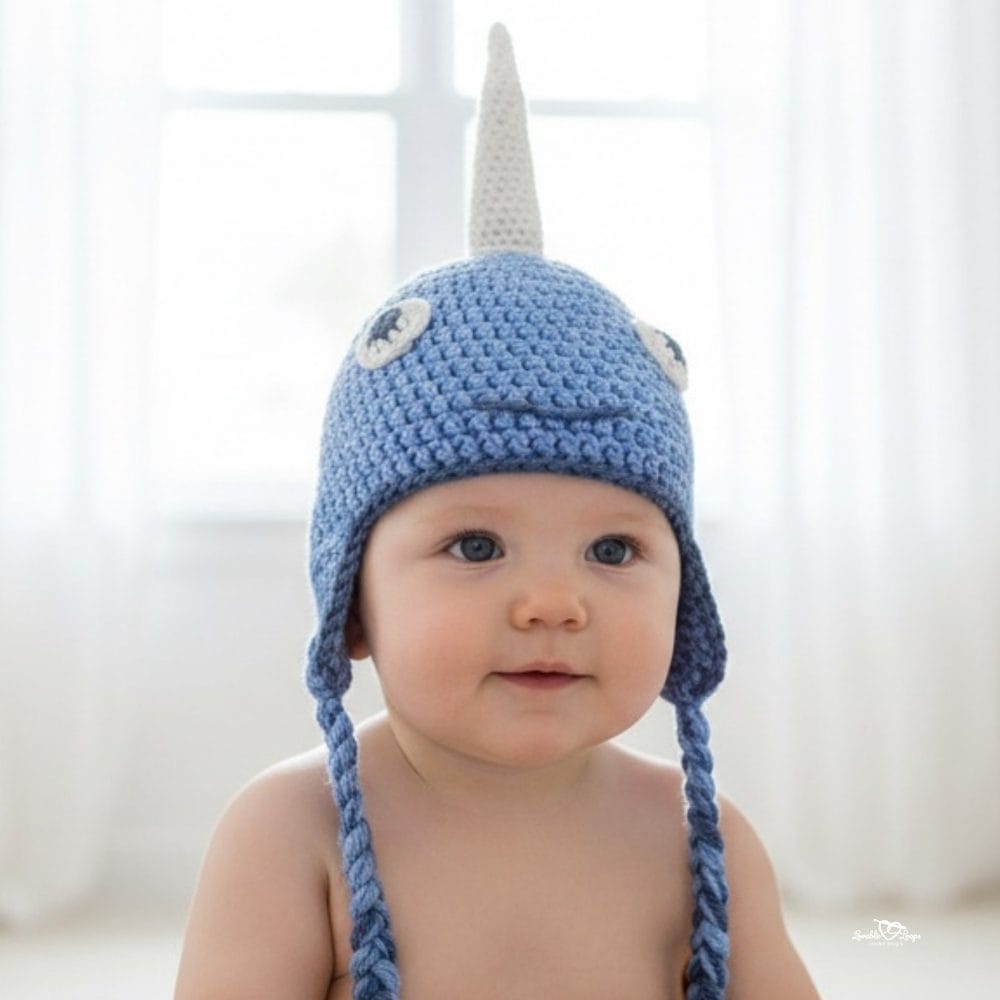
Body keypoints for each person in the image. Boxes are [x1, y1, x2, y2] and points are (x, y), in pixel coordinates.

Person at [174, 24, 819, 1000]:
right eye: (476, 544)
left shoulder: (700, 840)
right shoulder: (289, 835)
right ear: (351, 603)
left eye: (613, 547)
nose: (553, 601)